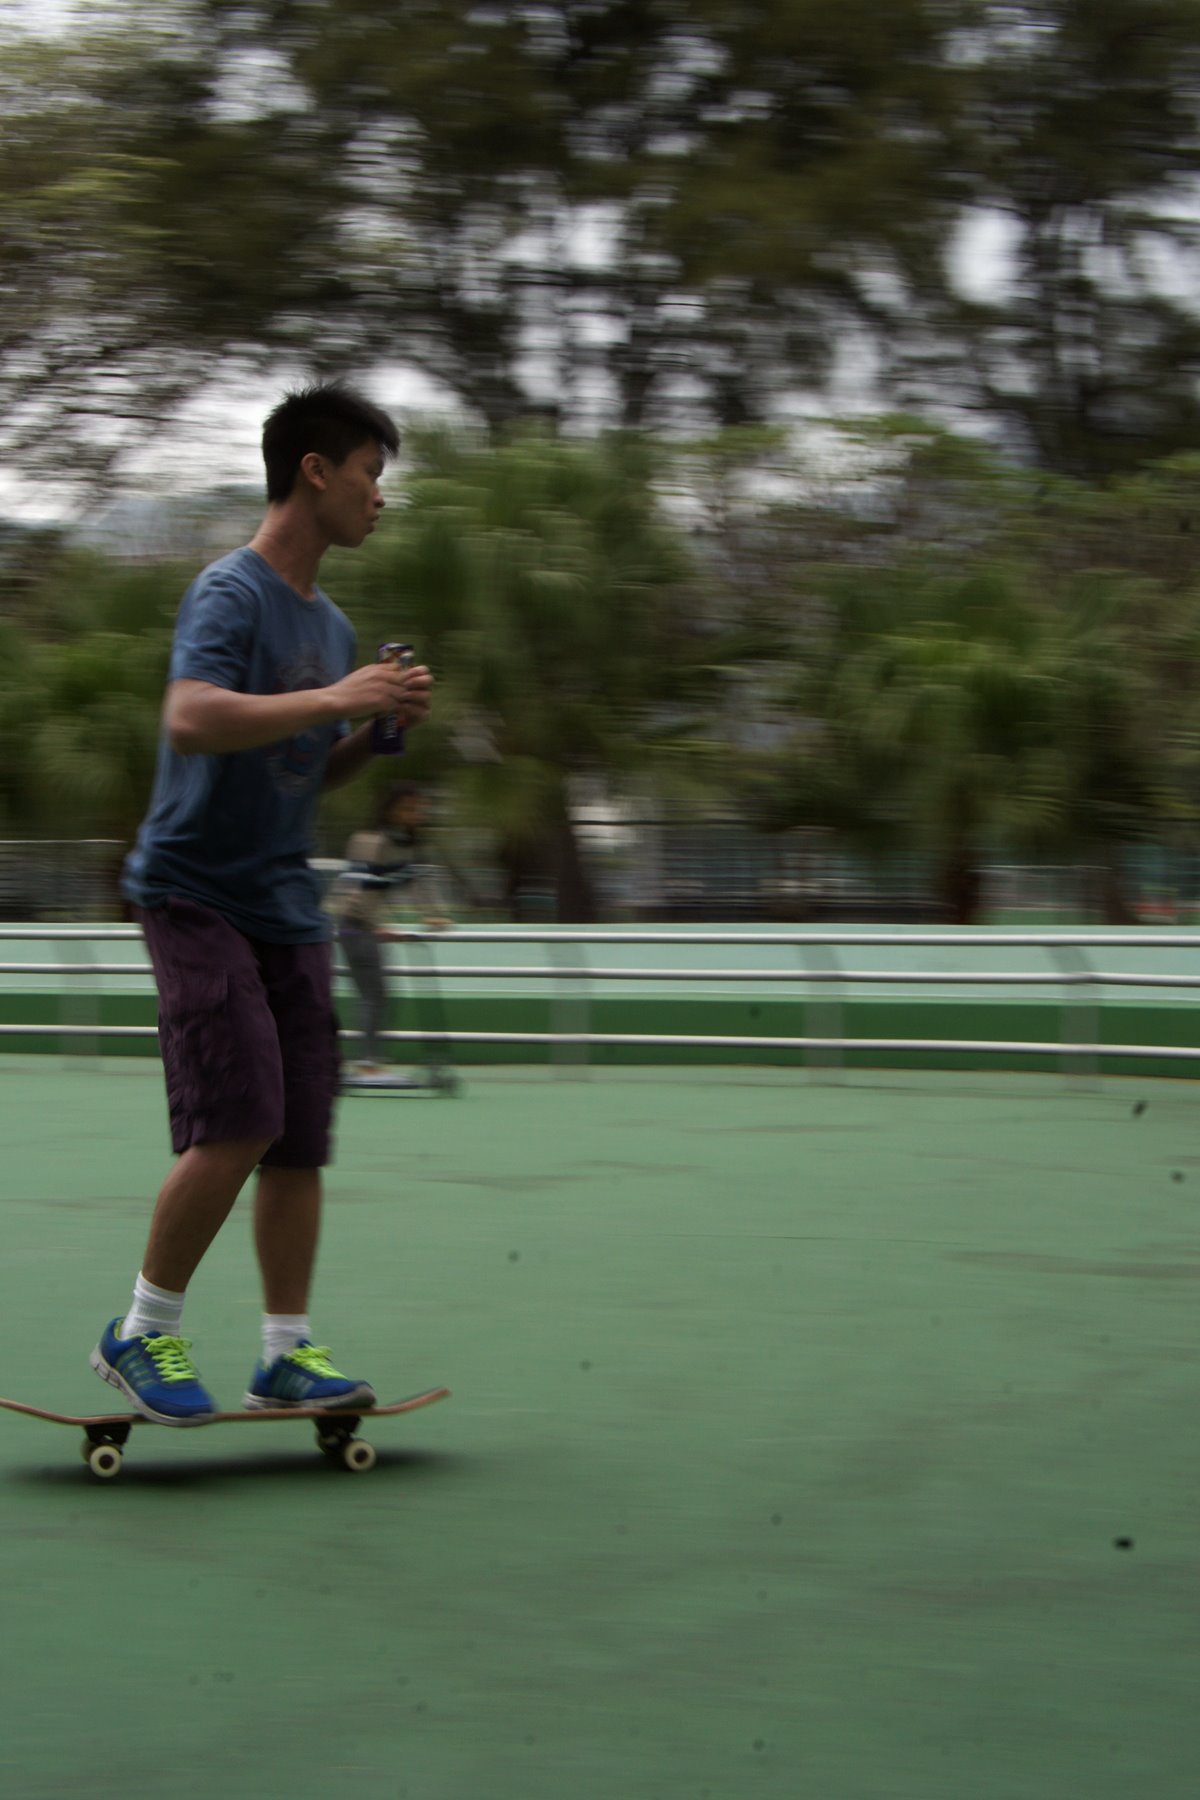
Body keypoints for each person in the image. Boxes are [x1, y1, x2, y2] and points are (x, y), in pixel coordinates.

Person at [95, 381, 433, 1424]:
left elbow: (300, 766)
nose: (380, 497)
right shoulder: (230, 592)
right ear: (314, 472)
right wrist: (337, 695)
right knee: (237, 1118)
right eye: (371, 474)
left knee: (298, 1136)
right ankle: (140, 1331)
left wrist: (369, 734)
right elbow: (192, 718)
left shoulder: (331, 623)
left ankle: (285, 1354)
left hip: (287, 903)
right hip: (195, 892)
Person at [330, 782, 452, 1078]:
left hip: (367, 926)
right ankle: (367, 1062)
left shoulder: (407, 845)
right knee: (374, 994)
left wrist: (432, 915)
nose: (416, 814)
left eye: (419, 809)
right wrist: (378, 927)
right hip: (352, 925)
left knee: (378, 994)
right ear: (390, 810)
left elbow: (415, 883)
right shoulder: (370, 840)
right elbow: (355, 891)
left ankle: (370, 1059)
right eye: (408, 808)